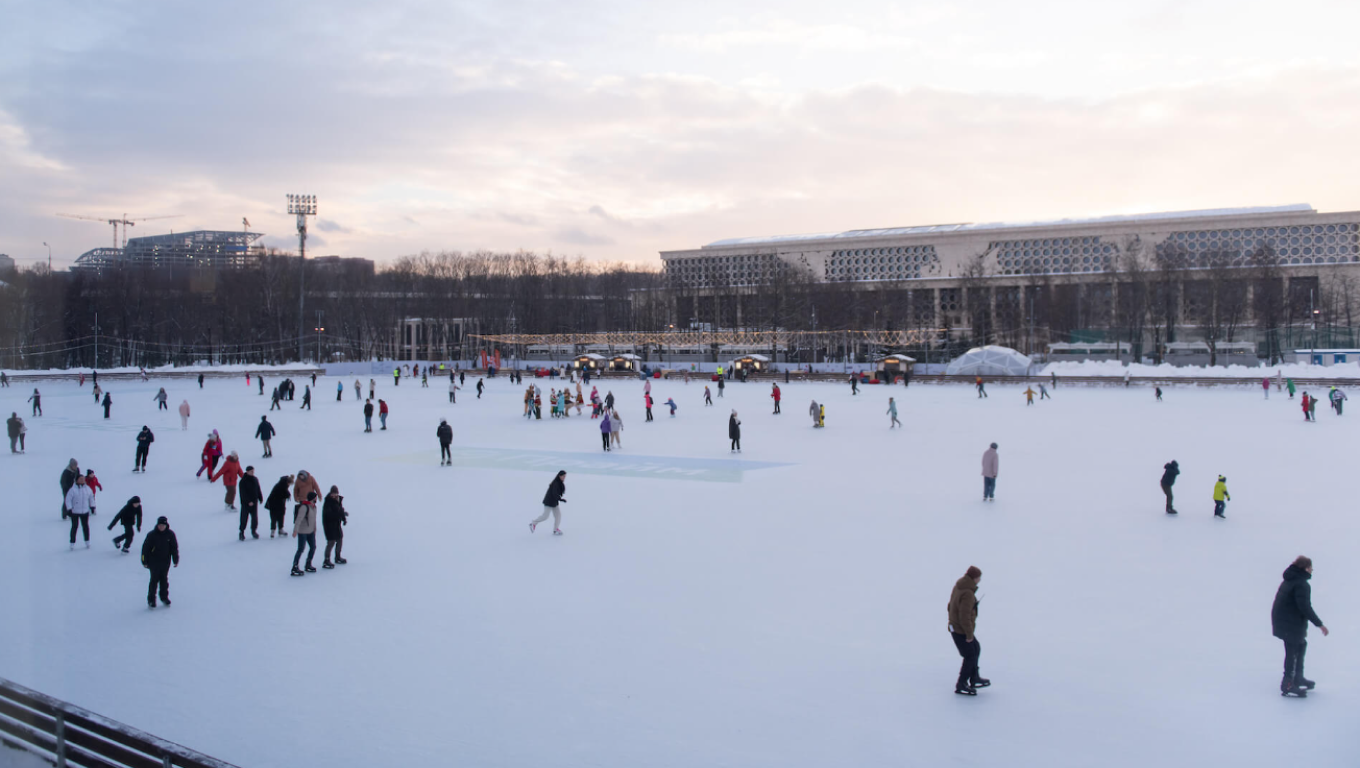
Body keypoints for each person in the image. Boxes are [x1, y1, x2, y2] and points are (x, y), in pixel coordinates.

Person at [1271, 556, 1329, 697]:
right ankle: (1288, 684)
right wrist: (1319, 624)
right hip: (1289, 622)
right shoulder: (1301, 584)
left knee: (1301, 645)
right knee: (1292, 651)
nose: (1312, 570)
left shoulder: (1290, 579)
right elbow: (1304, 607)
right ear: (1304, 568)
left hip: (1284, 620)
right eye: (1310, 568)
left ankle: (1298, 677)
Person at [948, 566, 989, 695]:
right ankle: (962, 683)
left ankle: (974, 678)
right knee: (970, 655)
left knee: (976, 648)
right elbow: (964, 616)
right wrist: (969, 634)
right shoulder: (968, 593)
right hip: (961, 629)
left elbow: (950, 606)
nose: (980, 579)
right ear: (974, 578)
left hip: (957, 626)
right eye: (979, 577)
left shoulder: (960, 586)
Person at [141, 516, 179, 607]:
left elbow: (174, 548)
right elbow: (145, 549)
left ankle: (164, 597)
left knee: (164, 580)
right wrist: (144, 561)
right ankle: (151, 600)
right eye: (160, 525)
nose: (161, 527)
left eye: (163, 525)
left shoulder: (170, 534)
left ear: (166, 525)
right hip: (153, 562)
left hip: (165, 561)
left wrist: (175, 559)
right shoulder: (151, 535)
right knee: (154, 580)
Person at [530, 471, 567, 535]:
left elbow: (560, 492)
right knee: (545, 516)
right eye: (563, 476)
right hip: (549, 502)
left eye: (565, 476)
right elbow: (554, 493)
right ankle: (533, 523)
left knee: (558, 516)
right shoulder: (556, 483)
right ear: (559, 476)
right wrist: (560, 499)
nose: (564, 477)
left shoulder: (560, 483)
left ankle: (556, 530)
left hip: (554, 502)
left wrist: (560, 498)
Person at [291, 491, 319, 576]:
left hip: (310, 531)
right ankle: (295, 567)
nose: (316, 498)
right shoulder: (304, 507)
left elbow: (314, 519)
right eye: (315, 497)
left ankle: (308, 564)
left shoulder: (314, 507)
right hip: (302, 531)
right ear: (312, 498)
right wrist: (295, 530)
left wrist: (314, 528)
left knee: (313, 547)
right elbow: (298, 519)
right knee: (301, 549)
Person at [65, 474, 96, 549]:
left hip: (85, 511)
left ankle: (87, 541)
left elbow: (91, 497)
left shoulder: (87, 489)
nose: (82, 480)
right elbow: (68, 500)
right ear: (77, 480)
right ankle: (72, 542)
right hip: (75, 511)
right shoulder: (72, 490)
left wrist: (92, 506)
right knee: (74, 527)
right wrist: (69, 509)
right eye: (80, 479)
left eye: (83, 479)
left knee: (85, 526)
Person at [322, 486, 348, 568]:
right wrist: (340, 515)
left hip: (336, 524)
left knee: (340, 539)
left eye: (335, 493)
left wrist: (343, 518)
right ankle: (326, 560)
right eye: (332, 494)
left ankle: (337, 557)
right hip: (329, 525)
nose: (333, 495)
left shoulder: (338, 500)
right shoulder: (328, 502)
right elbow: (329, 515)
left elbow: (340, 509)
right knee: (331, 542)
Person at [238, 465, 263, 540]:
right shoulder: (243, 481)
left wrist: (260, 497)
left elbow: (258, 489)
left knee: (254, 518)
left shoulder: (255, 479)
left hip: (254, 502)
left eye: (253, 471)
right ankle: (241, 532)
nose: (253, 472)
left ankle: (254, 531)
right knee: (244, 518)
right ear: (247, 471)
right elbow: (242, 493)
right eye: (251, 471)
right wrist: (248, 501)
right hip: (246, 504)